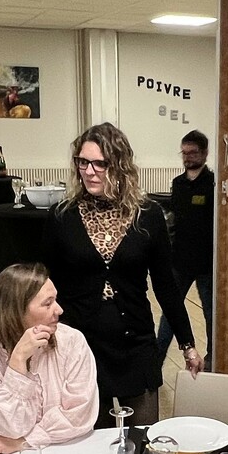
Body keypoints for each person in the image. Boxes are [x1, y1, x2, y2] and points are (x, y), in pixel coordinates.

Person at [42, 122, 203, 426]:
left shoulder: (148, 216)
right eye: (82, 162)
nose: (89, 172)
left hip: (135, 343)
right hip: (81, 345)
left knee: (144, 439)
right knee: (91, 441)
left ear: (120, 165)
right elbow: (46, 285)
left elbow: (166, 285)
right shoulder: (62, 217)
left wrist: (187, 344)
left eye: (99, 163)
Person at [0, 262, 99, 454]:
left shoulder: (71, 341)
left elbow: (79, 415)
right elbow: (8, 427)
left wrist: (23, 441)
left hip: (71, 451)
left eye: (55, 300)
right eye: (47, 303)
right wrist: (18, 362)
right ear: (16, 311)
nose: (59, 310)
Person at [154, 129, 215, 366]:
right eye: (184, 153)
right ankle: (157, 360)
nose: (188, 157)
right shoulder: (177, 184)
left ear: (205, 153)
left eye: (193, 152)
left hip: (206, 263)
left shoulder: (212, 184)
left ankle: (212, 360)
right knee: (170, 312)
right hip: (179, 262)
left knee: (210, 314)